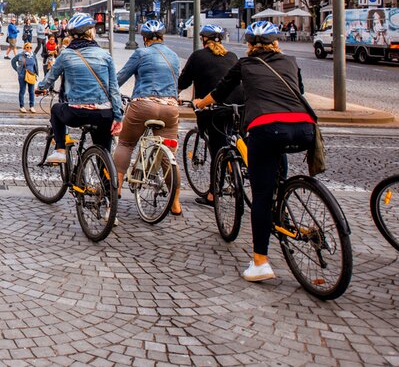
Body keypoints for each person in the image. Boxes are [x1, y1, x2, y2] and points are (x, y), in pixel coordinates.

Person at [194, 21, 316, 284]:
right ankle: (282, 198)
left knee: (261, 193)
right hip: (305, 128)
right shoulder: (291, 61)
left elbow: (220, 91)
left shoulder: (246, 64)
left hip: (266, 127)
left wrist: (200, 103)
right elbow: (299, 92)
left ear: (249, 45)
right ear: (276, 43)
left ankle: (260, 261)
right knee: (276, 174)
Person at [35, 13, 124, 163]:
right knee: (104, 153)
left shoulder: (66, 55)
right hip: (104, 114)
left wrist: (41, 88)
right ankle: (108, 183)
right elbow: (114, 89)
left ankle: (60, 150)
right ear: (91, 32)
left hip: (76, 113)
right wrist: (118, 117)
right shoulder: (105, 55)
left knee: (56, 109)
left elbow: (50, 78)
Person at [115, 20, 183, 216]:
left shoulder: (141, 53)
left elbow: (121, 77)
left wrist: (108, 94)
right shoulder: (174, 56)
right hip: (170, 108)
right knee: (168, 156)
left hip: (143, 105)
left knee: (126, 144)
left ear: (144, 39)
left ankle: (116, 189)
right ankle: (175, 202)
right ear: (163, 37)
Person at [178, 24, 243, 206]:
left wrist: (174, 93)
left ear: (203, 40)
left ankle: (213, 194)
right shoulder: (232, 56)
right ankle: (238, 169)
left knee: (217, 149)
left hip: (214, 109)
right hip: (239, 107)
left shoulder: (198, 56)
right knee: (235, 138)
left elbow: (183, 81)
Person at [12, 42, 40, 113]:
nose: (29, 49)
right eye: (27, 47)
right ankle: (22, 106)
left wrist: (36, 73)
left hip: (31, 75)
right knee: (22, 91)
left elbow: (36, 64)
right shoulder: (20, 55)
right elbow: (13, 61)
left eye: (31, 47)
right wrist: (18, 70)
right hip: (22, 75)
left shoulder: (33, 55)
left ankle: (32, 106)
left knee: (31, 91)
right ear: (24, 48)